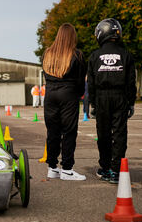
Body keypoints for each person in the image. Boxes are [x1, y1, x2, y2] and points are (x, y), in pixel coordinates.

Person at [88, 19, 136, 184]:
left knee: (103, 134)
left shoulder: (95, 55)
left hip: (102, 97)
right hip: (120, 97)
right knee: (120, 134)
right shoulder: (126, 54)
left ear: (101, 33)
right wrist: (131, 102)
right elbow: (131, 81)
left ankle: (105, 167)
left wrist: (92, 103)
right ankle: (116, 170)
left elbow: (91, 83)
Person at [42, 23, 86, 181]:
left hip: (50, 94)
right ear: (72, 36)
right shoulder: (76, 55)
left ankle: (52, 168)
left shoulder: (47, 53)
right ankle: (67, 169)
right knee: (69, 131)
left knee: (52, 132)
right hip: (68, 94)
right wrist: (79, 94)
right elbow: (81, 81)